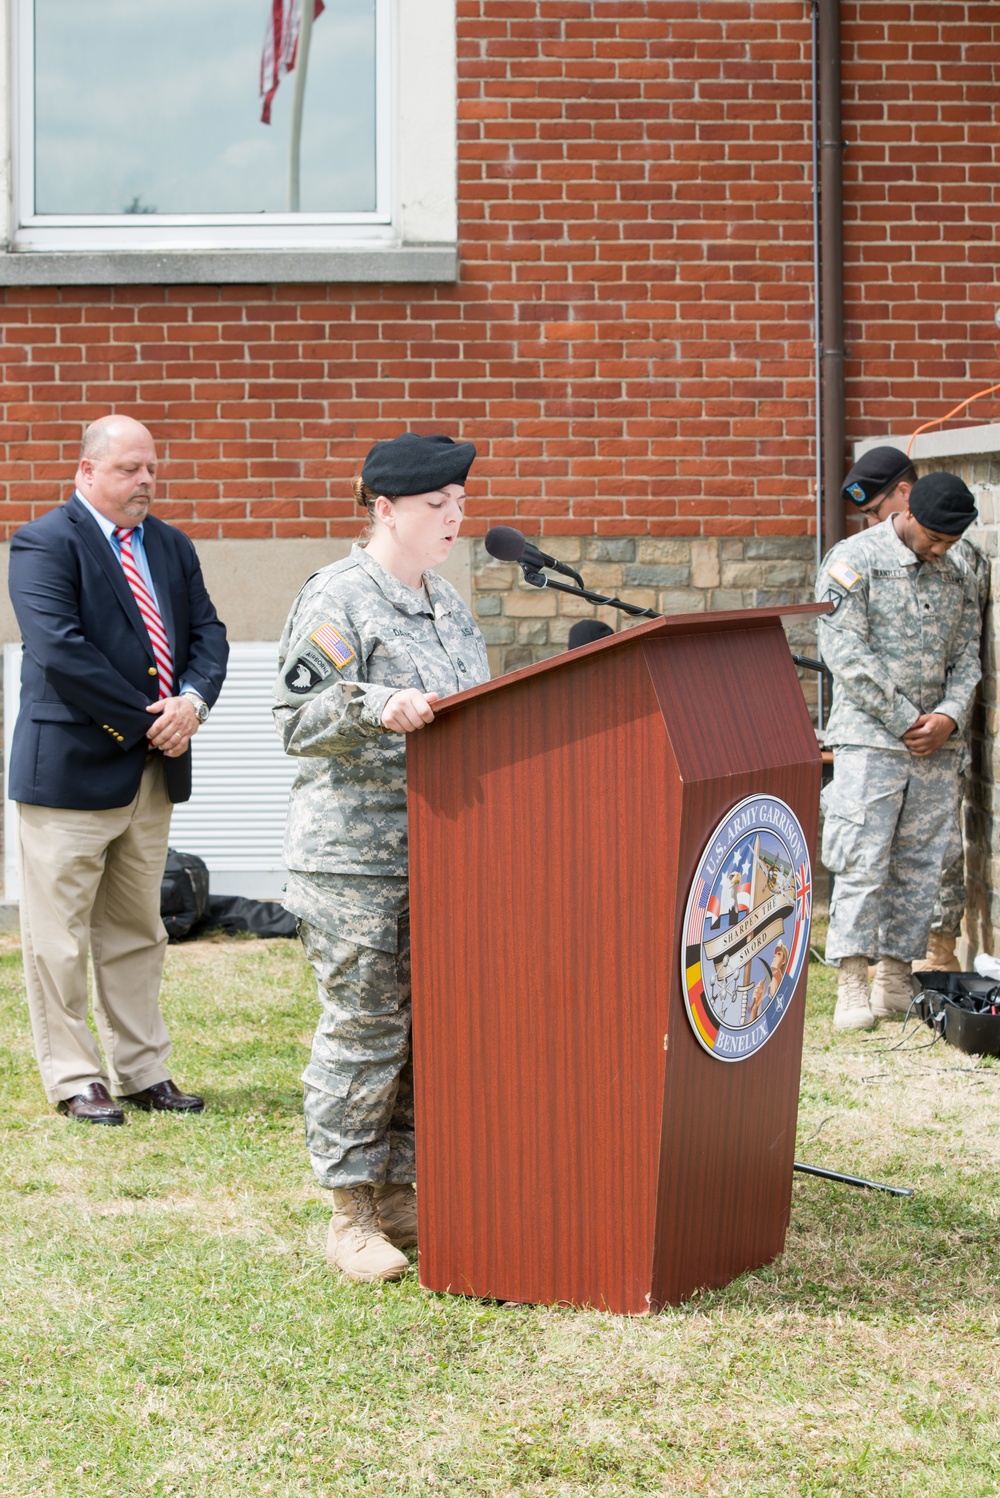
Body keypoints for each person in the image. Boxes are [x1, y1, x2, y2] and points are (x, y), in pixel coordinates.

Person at [274, 432, 489, 1284]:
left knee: (425, 1033)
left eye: (461, 504)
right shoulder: (340, 598)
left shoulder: (448, 602)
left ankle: (401, 1190)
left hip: (441, 852)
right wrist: (375, 704)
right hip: (355, 863)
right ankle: (350, 1212)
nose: (456, 518)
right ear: (386, 508)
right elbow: (293, 720)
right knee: (364, 1031)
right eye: (439, 506)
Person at [8, 415, 229, 1126]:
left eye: (152, 470)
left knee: (138, 929)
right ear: (87, 472)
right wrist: (152, 721)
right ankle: (76, 1077)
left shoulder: (170, 545)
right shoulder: (45, 542)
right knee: (59, 938)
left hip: (153, 776)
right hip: (70, 774)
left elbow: (209, 635)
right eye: (130, 469)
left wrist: (191, 702)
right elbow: (62, 650)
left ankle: (141, 1070)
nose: (145, 482)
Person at [817, 471, 983, 1031]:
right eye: (934, 538)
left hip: (936, 746)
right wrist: (906, 719)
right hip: (871, 740)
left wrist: (949, 716)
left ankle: (894, 975)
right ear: (909, 512)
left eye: (950, 544)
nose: (940, 550)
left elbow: (969, 657)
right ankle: (852, 982)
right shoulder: (853, 560)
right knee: (864, 858)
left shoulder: (956, 573)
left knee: (919, 864)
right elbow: (844, 650)